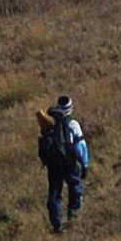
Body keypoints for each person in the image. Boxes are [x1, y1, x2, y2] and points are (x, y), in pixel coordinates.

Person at [34, 96, 90, 232]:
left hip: (53, 164)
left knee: (54, 192)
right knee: (74, 186)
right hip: (69, 162)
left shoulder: (49, 123)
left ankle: (57, 224)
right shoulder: (72, 124)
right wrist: (84, 165)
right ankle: (74, 216)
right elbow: (80, 146)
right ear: (70, 108)